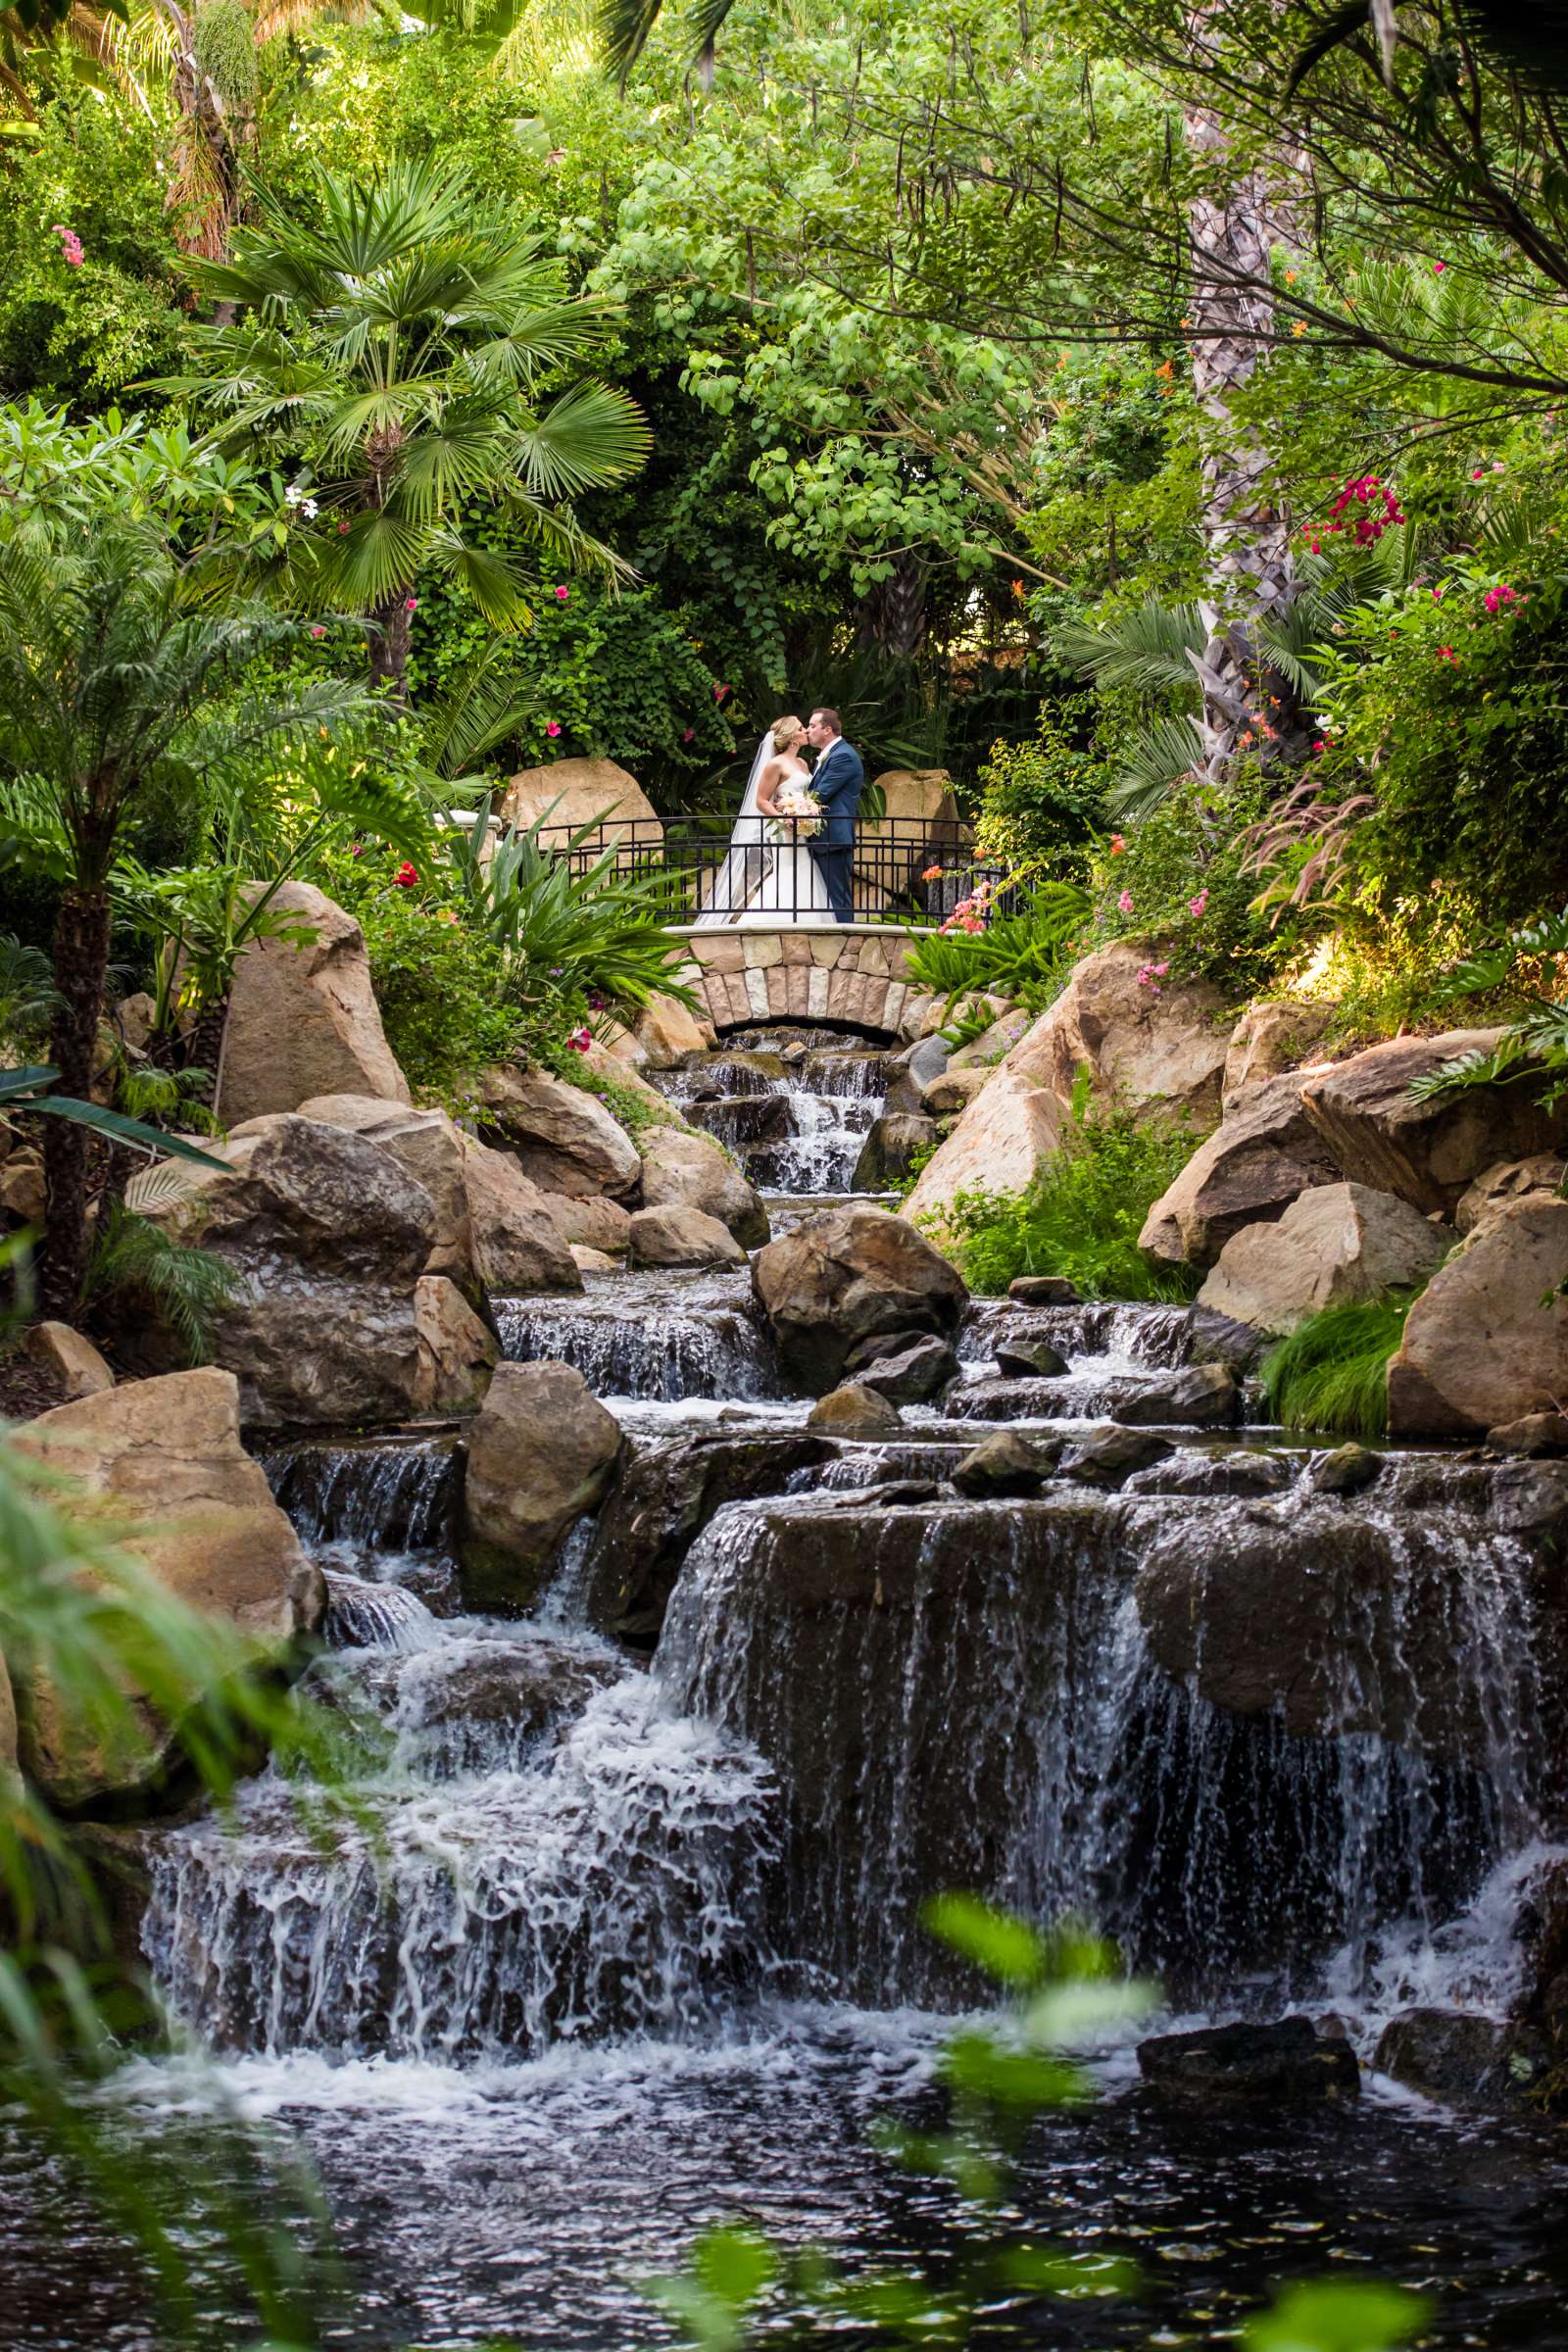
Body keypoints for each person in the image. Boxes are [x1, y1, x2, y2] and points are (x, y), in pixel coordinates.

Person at [694, 714, 834, 927]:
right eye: (800, 728)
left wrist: (807, 812)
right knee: (788, 869)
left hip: (802, 828)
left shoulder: (803, 763)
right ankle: (774, 920)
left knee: (804, 866)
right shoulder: (775, 764)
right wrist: (783, 818)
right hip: (782, 828)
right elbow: (761, 800)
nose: (805, 730)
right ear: (792, 738)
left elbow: (808, 795)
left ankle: (804, 919)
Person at [804, 708, 863, 922]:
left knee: (838, 897)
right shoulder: (833, 754)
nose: (807, 730)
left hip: (833, 838)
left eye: (812, 726)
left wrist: (788, 809)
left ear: (827, 730)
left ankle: (846, 943)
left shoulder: (843, 756)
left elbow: (820, 795)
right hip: (824, 838)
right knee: (827, 896)